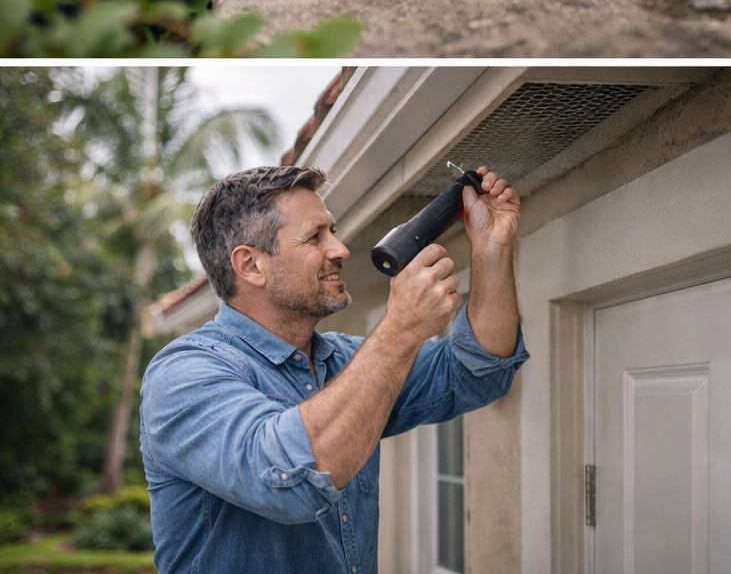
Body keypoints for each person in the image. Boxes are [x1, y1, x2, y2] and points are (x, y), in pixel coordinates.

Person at [140, 165, 526, 574]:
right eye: (315, 237)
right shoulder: (184, 374)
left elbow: (478, 369)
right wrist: (400, 331)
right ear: (251, 265)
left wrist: (492, 250)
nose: (340, 250)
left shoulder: (346, 360)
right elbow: (290, 482)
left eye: (333, 231)